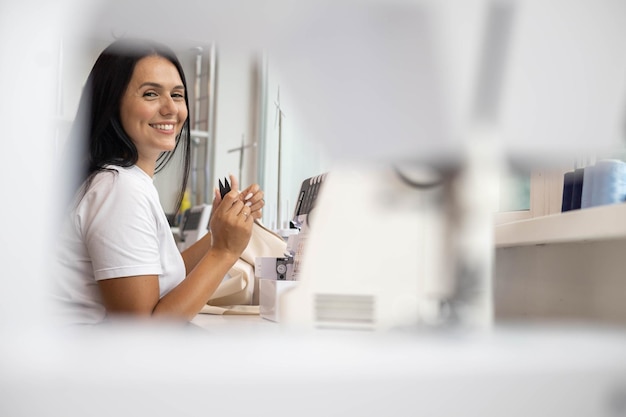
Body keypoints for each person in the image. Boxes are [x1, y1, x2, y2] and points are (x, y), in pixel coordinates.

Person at [51, 38, 264, 325]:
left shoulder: (123, 181)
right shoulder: (119, 190)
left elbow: (162, 280)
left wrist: (218, 234)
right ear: (112, 103)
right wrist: (225, 251)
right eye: (151, 94)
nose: (171, 109)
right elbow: (143, 333)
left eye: (177, 95)